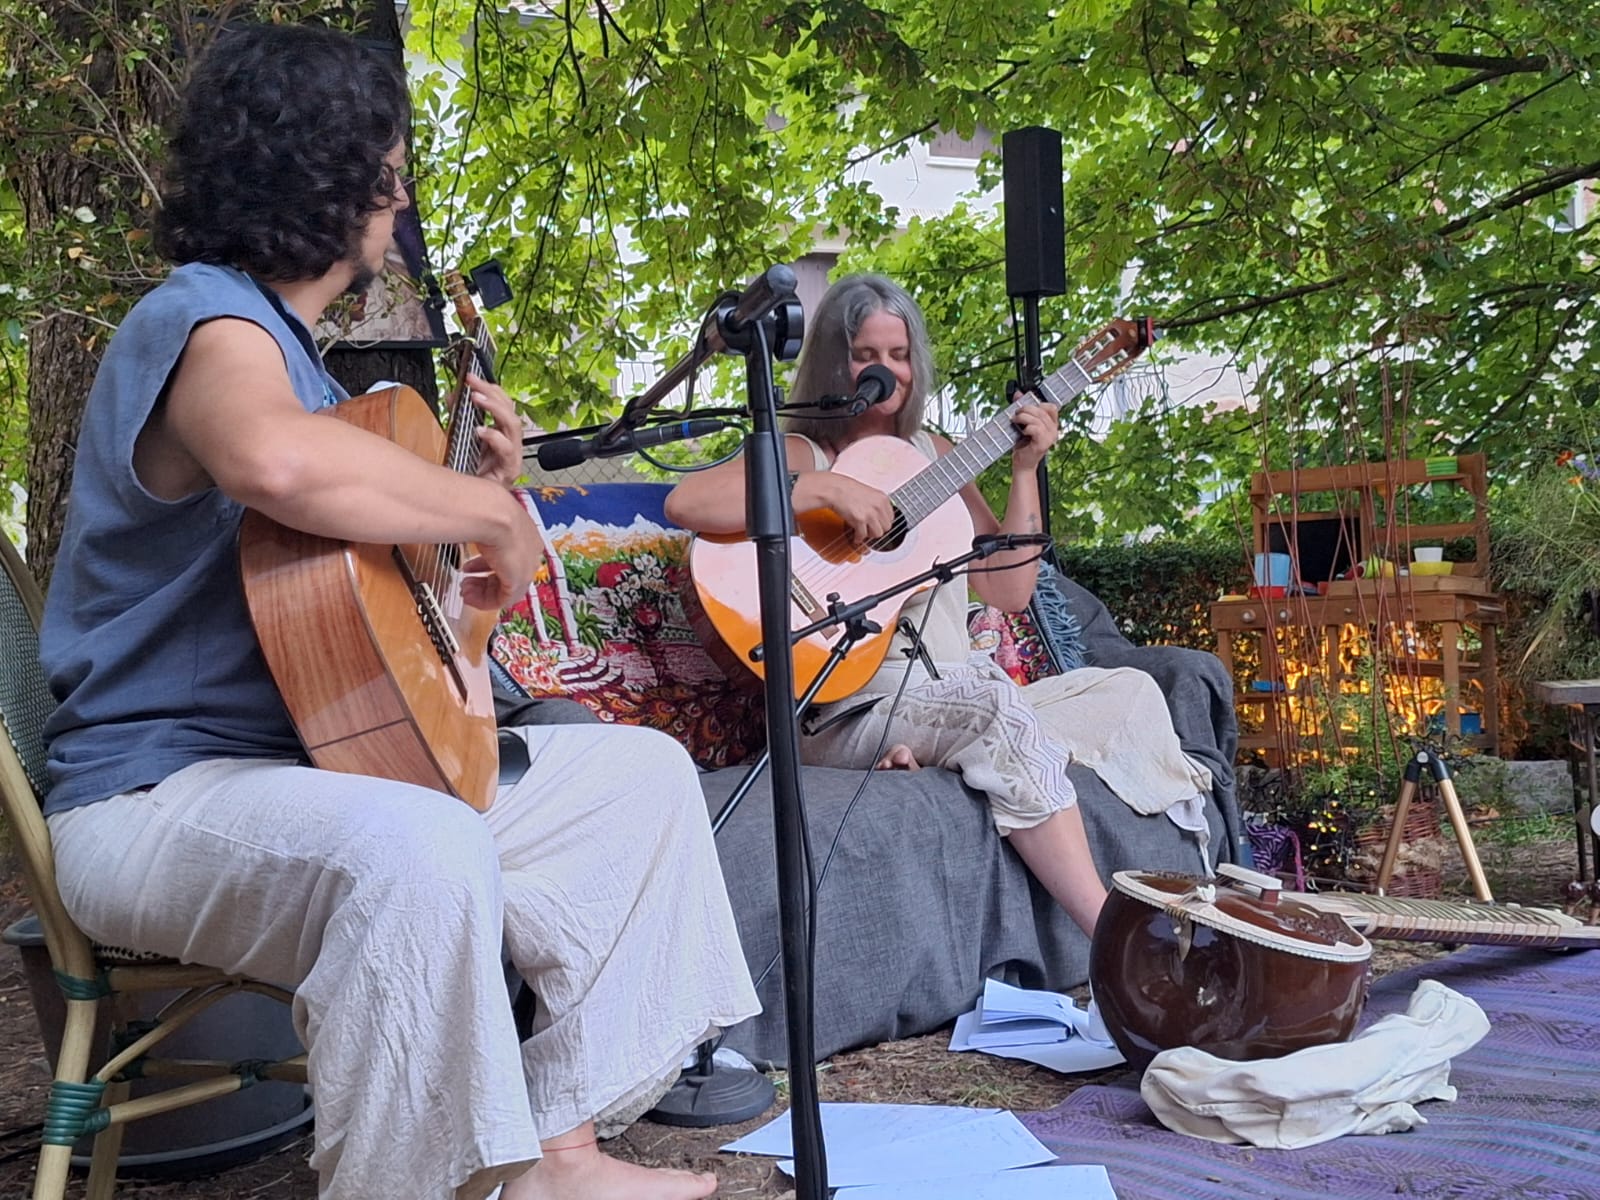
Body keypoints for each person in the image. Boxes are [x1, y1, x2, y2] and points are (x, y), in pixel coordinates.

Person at [37, 23, 757, 1200]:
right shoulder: (205, 320)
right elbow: (273, 462)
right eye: (392, 169)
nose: (402, 197)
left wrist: (476, 554)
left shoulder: (310, 372)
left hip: (315, 776)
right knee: (419, 848)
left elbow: (384, 665)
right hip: (154, 797)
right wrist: (484, 512)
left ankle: (556, 1152)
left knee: (637, 782)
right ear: (333, 173)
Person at [665, 273, 1214, 939]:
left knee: (1129, 692)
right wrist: (821, 489)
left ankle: (1189, 896)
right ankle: (1109, 938)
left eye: (899, 355)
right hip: (848, 706)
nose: (886, 370)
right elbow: (686, 502)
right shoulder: (804, 451)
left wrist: (1023, 470)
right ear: (834, 364)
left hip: (953, 687)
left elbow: (1008, 591)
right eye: (866, 355)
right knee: (992, 708)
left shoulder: (937, 456)